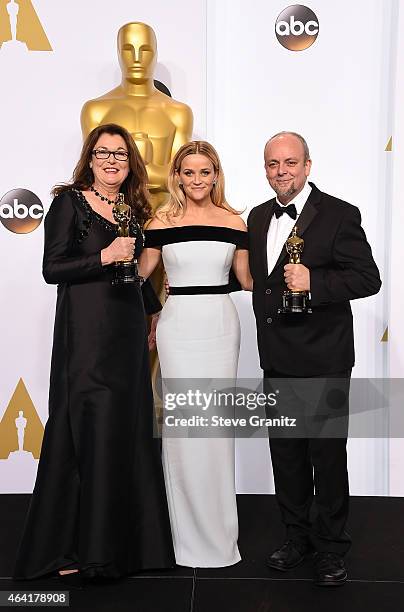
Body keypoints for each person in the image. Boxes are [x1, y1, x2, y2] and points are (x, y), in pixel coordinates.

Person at [14, 123, 174, 586]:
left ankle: (126, 547)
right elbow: (53, 268)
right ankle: (76, 549)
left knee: (125, 432)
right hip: (86, 338)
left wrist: (152, 313)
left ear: (131, 163)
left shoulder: (132, 207)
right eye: (103, 153)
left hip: (125, 336)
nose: (111, 161)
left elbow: (134, 277)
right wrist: (104, 256)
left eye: (120, 155)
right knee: (87, 429)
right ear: (90, 157)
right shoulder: (68, 202)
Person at [247, 131, 381, 586]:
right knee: (285, 456)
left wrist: (315, 283)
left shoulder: (340, 214)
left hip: (325, 358)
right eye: (272, 164)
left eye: (289, 162)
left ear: (307, 165)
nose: (280, 171)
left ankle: (330, 548)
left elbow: (368, 278)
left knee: (326, 458)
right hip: (277, 358)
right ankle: (296, 538)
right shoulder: (258, 216)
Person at [138, 141, 252, 567]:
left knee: (216, 430)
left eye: (206, 172)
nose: (198, 180)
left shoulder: (234, 221)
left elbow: (246, 280)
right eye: (189, 172)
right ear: (177, 176)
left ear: (216, 174)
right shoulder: (160, 220)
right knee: (185, 431)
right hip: (178, 326)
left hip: (221, 326)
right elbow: (140, 277)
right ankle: (184, 540)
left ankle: (222, 540)